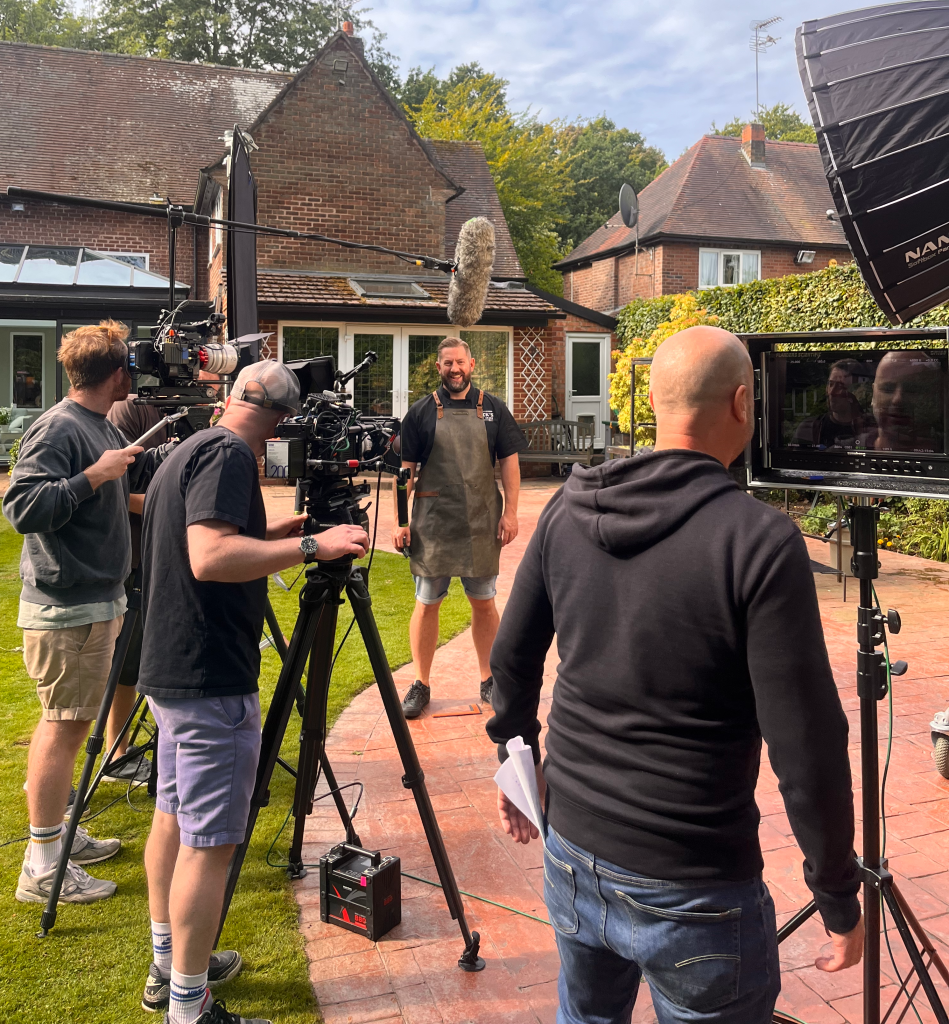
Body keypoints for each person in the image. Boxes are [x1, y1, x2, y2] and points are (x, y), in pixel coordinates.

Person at [488, 326, 864, 1023]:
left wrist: (516, 761)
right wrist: (837, 894)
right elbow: (805, 745)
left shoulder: (568, 506)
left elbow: (510, 658)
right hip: (695, 885)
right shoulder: (758, 540)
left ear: (656, 402)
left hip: (571, 846)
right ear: (743, 403)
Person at [137, 360, 369, 1024]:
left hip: (172, 669)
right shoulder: (231, 455)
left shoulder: (191, 446)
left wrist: (278, 534)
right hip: (209, 676)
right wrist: (313, 548)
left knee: (173, 819)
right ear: (282, 420)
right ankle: (190, 1007)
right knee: (210, 844)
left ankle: (169, 965)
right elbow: (211, 557)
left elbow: (199, 537)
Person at [4, 320, 172, 905]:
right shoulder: (59, 427)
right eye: (132, 366)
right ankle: (42, 864)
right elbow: (21, 507)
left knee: (67, 722)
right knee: (65, 725)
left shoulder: (98, 422)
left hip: (97, 600)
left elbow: (122, 478)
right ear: (118, 373)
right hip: (67, 608)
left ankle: (57, 836)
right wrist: (91, 477)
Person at [392, 337, 526, 719]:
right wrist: (400, 522)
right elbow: (405, 473)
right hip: (433, 524)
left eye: (460, 362)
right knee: (426, 604)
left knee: (484, 603)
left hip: (482, 522)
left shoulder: (494, 409)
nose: (455, 369)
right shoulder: (420, 413)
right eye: (448, 363)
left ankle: (489, 679)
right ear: (439, 367)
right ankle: (420, 683)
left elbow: (510, 464)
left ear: (472, 365)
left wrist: (511, 513)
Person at [105, 395, 169, 781]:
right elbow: (113, 489)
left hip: (168, 557)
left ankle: (134, 752)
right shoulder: (131, 410)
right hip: (133, 558)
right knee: (122, 662)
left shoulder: (200, 413)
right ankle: (117, 754)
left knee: (148, 658)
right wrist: (174, 505)